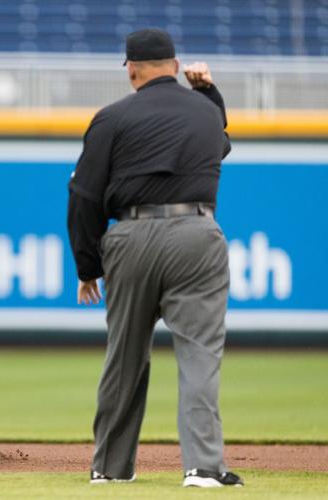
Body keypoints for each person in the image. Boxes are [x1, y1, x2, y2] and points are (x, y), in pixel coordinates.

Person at [67, 29, 243, 488]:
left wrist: (88, 266)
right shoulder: (205, 111)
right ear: (175, 63)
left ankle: (110, 468)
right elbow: (219, 139)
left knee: (124, 357)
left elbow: (83, 196)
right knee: (200, 356)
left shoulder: (112, 117)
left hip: (132, 233)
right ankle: (204, 468)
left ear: (132, 67)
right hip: (197, 235)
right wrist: (208, 90)